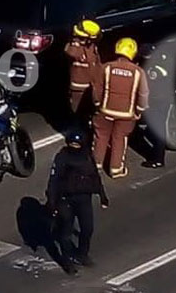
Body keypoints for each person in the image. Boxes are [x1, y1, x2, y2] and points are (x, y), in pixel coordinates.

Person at [46, 129, 109, 275]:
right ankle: (67, 262)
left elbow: (95, 176)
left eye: (77, 144)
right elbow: (53, 181)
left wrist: (102, 195)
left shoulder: (87, 156)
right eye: (72, 144)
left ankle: (82, 254)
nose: (75, 147)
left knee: (87, 228)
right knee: (66, 232)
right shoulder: (62, 157)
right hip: (66, 199)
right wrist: (52, 203)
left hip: (84, 198)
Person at [92, 37, 149, 179]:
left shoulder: (106, 67)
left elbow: (96, 89)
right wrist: (139, 111)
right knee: (119, 140)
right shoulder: (138, 72)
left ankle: (95, 165)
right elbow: (143, 94)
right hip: (126, 115)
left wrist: (98, 105)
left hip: (105, 111)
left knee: (100, 137)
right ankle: (116, 169)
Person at [64, 20, 102, 127]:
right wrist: (76, 41)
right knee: (77, 114)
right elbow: (70, 52)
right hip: (78, 88)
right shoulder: (74, 47)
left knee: (90, 113)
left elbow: (97, 65)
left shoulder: (92, 47)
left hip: (92, 86)